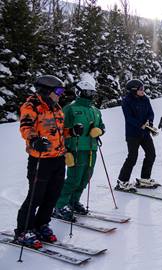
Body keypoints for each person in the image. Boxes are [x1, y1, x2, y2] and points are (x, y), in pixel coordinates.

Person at [15, 75, 67, 249]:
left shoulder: (56, 106)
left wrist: (71, 131)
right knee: (36, 196)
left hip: (58, 158)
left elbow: (59, 131)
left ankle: (41, 224)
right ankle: (23, 230)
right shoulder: (32, 106)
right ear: (46, 90)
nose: (61, 94)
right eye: (58, 91)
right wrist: (34, 140)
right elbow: (26, 127)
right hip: (40, 159)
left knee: (53, 195)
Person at [52, 80, 105, 221]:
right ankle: (59, 205)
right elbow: (60, 130)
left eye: (92, 93)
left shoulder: (95, 110)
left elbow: (102, 126)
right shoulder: (70, 109)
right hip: (76, 148)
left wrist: (99, 130)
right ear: (79, 92)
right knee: (74, 179)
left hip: (91, 148)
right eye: (87, 92)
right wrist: (66, 150)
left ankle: (73, 201)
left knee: (85, 178)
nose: (90, 95)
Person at [116, 79, 158, 192]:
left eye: (143, 88)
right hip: (133, 134)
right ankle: (122, 181)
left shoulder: (145, 99)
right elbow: (129, 118)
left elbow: (150, 112)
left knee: (151, 154)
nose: (143, 91)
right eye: (140, 89)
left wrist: (149, 122)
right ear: (134, 90)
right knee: (132, 157)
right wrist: (141, 125)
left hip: (145, 133)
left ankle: (144, 179)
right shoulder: (126, 101)